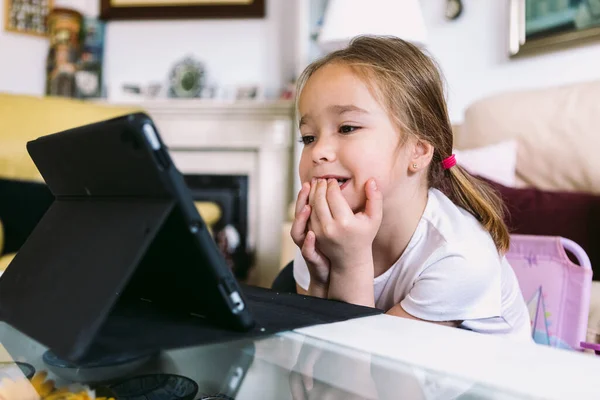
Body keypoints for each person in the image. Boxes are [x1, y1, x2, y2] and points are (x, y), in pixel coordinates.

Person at [290, 35, 531, 341]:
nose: (318, 151)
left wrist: (350, 261)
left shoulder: (459, 256)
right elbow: (318, 351)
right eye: (308, 137)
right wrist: (320, 275)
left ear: (417, 151)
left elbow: (366, 371)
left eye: (347, 128)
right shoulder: (324, 235)